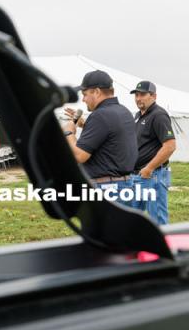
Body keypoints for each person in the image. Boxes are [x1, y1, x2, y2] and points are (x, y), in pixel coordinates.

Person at [63, 70, 137, 206]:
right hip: (124, 185)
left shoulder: (100, 115)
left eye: (85, 94)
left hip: (106, 188)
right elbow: (109, 139)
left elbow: (79, 156)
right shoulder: (123, 111)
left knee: (103, 228)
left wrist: (69, 133)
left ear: (96, 92)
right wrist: (85, 124)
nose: (83, 99)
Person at [130, 81, 176, 225]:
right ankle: (136, 247)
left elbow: (170, 146)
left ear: (154, 96)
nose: (138, 98)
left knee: (158, 220)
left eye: (142, 94)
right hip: (137, 176)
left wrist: (149, 168)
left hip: (153, 176)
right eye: (136, 95)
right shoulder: (138, 115)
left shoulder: (159, 115)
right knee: (131, 218)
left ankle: (162, 247)